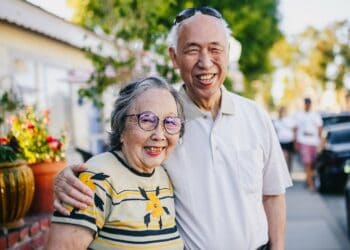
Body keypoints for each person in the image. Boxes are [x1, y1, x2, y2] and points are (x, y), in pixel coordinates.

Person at [54, 7, 292, 250]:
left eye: (215, 49)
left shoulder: (256, 116)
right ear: (174, 57)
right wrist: (68, 177)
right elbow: (119, 162)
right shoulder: (164, 124)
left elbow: (272, 194)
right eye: (192, 49)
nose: (205, 62)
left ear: (228, 53)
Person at [47, 77, 185, 249]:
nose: (159, 135)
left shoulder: (165, 175)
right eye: (147, 119)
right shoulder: (96, 177)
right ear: (121, 127)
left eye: (170, 122)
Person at [294, 97, 322, 191]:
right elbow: (296, 128)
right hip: (303, 141)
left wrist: (320, 141)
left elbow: (319, 128)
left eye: (308, 103)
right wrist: (296, 142)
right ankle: (311, 185)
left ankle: (308, 179)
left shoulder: (315, 115)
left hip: (314, 141)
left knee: (313, 164)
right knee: (307, 163)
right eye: (306, 103)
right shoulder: (299, 115)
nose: (307, 105)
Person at [273, 106, 296, 172]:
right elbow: (275, 132)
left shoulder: (290, 120)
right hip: (282, 142)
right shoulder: (277, 121)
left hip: (290, 141)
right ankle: (285, 173)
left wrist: (295, 142)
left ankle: (289, 173)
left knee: (290, 159)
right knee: (284, 158)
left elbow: (294, 130)